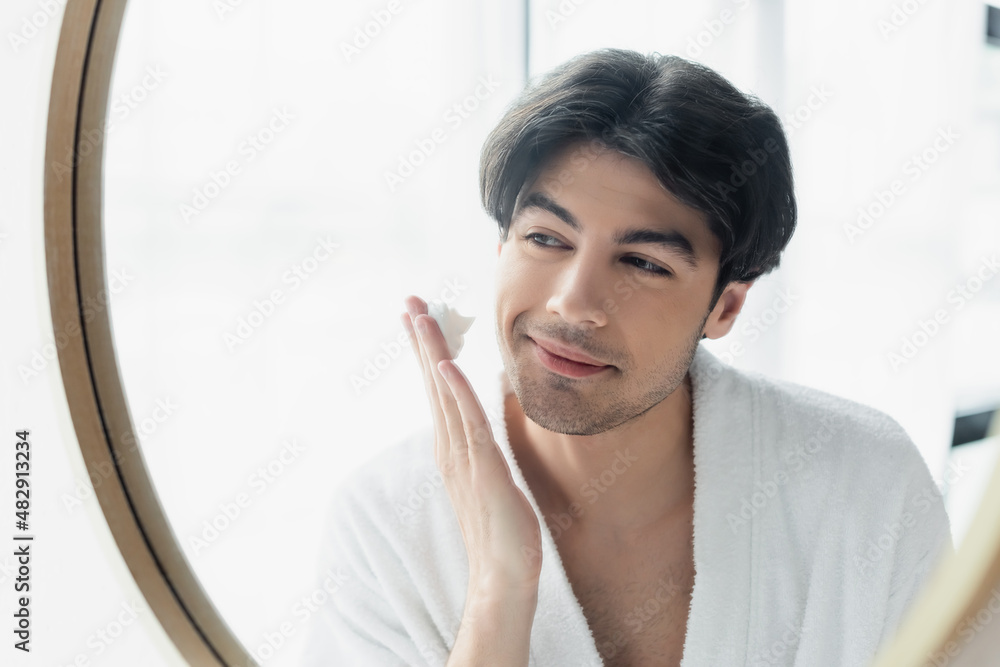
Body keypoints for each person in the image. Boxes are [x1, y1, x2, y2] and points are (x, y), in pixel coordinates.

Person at [301, 48, 953, 667]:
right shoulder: (385, 524)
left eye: (643, 262)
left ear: (726, 306)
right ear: (502, 249)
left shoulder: (866, 485)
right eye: (545, 238)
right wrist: (499, 588)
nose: (571, 303)